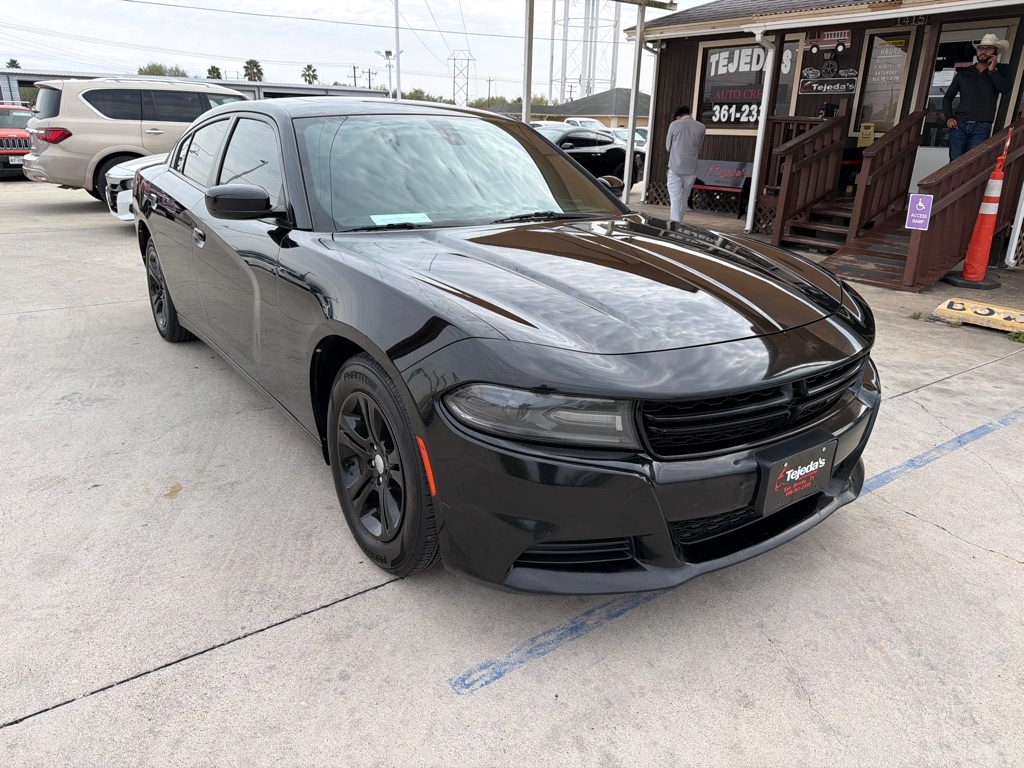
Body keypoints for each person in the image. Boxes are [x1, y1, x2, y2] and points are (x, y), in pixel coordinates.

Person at [942, 33, 1013, 161]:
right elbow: (947, 98)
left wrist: (993, 71)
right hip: (959, 125)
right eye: (981, 48)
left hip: (981, 126)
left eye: (988, 48)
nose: (983, 52)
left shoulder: (1002, 70)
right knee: (954, 163)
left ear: (995, 52)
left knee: (973, 163)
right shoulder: (964, 73)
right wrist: (949, 118)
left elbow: (1005, 89)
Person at [665, 105, 706, 224]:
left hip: (675, 167)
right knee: (684, 198)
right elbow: (699, 147)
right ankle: (678, 223)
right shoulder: (701, 127)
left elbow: (668, 147)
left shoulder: (674, 125)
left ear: (678, 116)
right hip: (691, 168)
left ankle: (675, 226)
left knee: (675, 199)